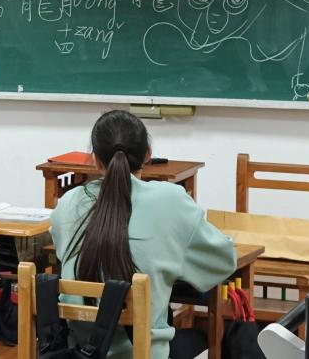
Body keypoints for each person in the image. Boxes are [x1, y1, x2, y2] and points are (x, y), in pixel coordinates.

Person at [50, 110, 237, 359]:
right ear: (148, 154)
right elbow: (223, 262)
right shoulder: (171, 201)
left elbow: (61, 249)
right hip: (145, 353)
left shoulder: (69, 202)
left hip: (78, 353)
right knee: (200, 338)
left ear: (95, 159)